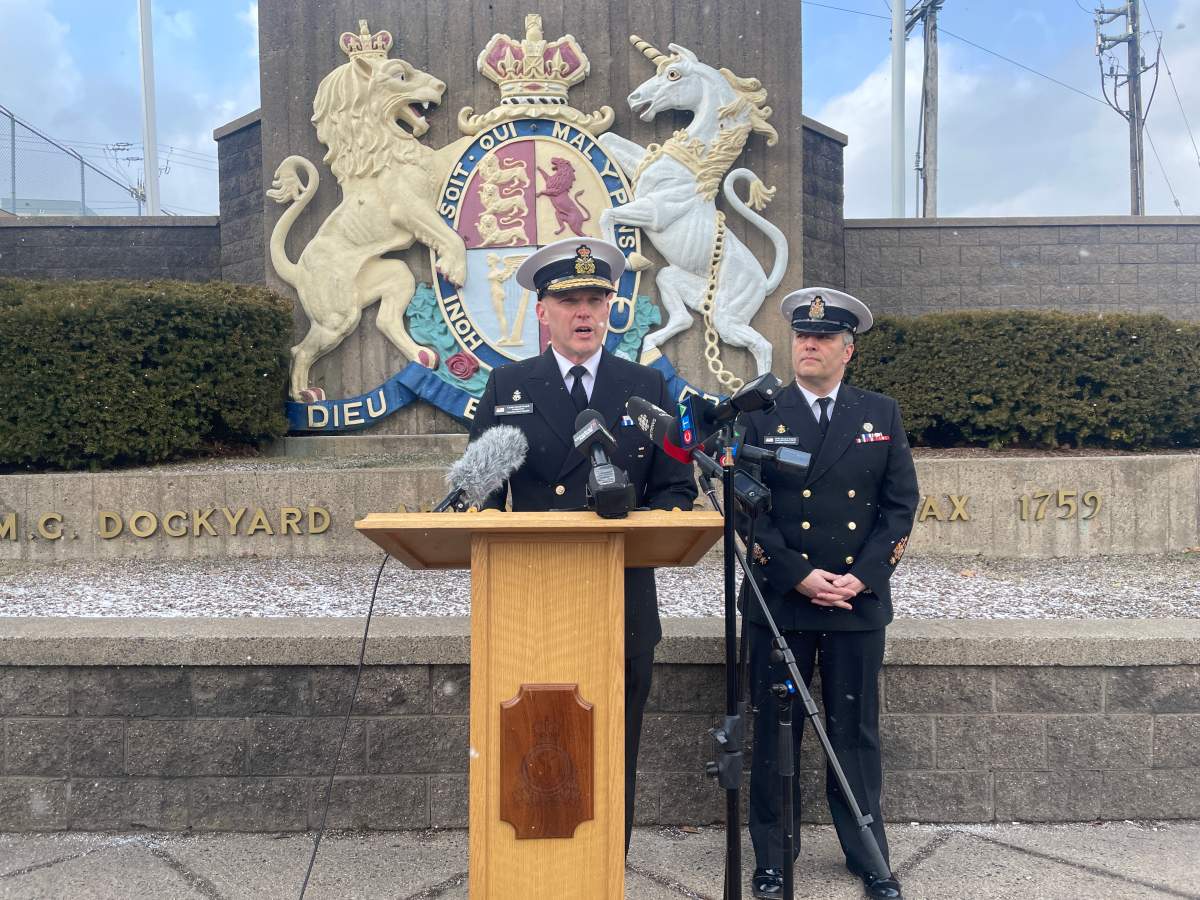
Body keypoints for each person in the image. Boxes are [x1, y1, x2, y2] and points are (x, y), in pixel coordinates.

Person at [468, 237, 698, 851]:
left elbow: (678, 490)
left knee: (614, 750)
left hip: (620, 602)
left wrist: (647, 520)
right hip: (531, 605)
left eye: (596, 298)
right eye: (570, 299)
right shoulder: (508, 385)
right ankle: (535, 876)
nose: (584, 312)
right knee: (536, 752)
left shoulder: (643, 383)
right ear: (542, 310)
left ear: (610, 308)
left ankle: (607, 870)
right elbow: (482, 498)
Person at [738, 287, 918, 900]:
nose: (808, 346)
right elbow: (746, 510)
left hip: (855, 601)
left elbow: (899, 507)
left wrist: (865, 575)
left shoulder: (880, 414)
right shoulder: (760, 414)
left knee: (855, 733)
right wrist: (796, 574)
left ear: (848, 351)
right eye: (801, 337)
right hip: (780, 603)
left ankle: (868, 855)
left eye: (822, 339)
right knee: (773, 733)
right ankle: (771, 857)